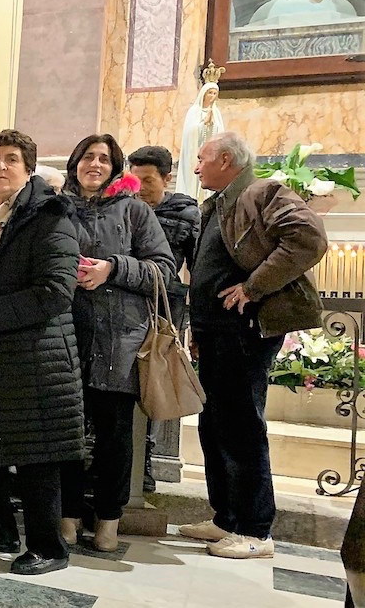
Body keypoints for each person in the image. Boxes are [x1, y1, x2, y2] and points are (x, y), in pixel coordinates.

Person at [179, 132, 327, 559]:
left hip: (245, 331)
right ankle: (226, 518)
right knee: (216, 424)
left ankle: (255, 530)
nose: (196, 166)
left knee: (242, 426)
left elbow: (308, 239)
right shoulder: (221, 201)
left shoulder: (263, 191)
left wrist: (254, 286)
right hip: (217, 332)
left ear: (226, 159)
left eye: (202, 158)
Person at [0, 129, 84, 576]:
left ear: (28, 168)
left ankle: (49, 547)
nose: (0, 167)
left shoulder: (50, 216)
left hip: (34, 354)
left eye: (10, 159)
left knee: (34, 455)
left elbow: (55, 291)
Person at [58, 134, 174, 552]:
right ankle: (67, 515)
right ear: (75, 163)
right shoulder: (57, 208)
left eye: (104, 159)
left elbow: (164, 270)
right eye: (87, 156)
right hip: (65, 335)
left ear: (114, 167)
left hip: (118, 340)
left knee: (113, 436)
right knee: (67, 434)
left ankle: (108, 520)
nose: (95, 164)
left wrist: (113, 268)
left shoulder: (136, 211)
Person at [128, 144, 201, 493]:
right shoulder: (122, 205)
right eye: (134, 178)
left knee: (153, 384)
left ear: (166, 178)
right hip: (125, 303)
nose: (139, 186)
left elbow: (198, 267)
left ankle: (145, 463)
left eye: (147, 180)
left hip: (164, 308)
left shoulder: (186, 213)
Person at [177, 82, 224, 198]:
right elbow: (190, 132)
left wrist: (212, 125)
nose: (212, 96)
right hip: (195, 152)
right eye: (210, 93)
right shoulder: (194, 111)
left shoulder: (216, 112)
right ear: (203, 94)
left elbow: (220, 132)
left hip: (211, 153)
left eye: (215, 93)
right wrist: (204, 124)